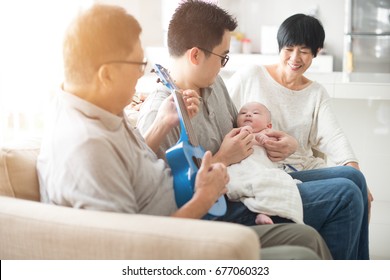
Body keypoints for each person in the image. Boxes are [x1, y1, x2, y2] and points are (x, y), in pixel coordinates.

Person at [36, 3, 332, 260]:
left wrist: (163, 124)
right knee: (304, 247)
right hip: (182, 237)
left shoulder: (99, 108)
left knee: (309, 239)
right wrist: (203, 199)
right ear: (107, 74)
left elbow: (135, 159)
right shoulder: (86, 147)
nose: (144, 73)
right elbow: (131, 254)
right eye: (139, 64)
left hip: (187, 215)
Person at [137, 1, 365, 260]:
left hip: (257, 176)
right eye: (223, 56)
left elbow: (245, 129)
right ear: (196, 55)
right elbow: (167, 198)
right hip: (232, 203)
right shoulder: (161, 114)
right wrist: (223, 158)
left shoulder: (214, 84)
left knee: (354, 178)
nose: (224, 65)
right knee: (346, 196)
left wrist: (284, 143)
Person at [227, 13, 372, 259]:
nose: (295, 58)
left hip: (298, 170)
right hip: (265, 171)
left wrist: (355, 168)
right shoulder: (250, 75)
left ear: (316, 52)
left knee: (356, 179)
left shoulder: (315, 92)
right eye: (289, 49)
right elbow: (224, 117)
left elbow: (332, 134)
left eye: (304, 51)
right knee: (349, 192)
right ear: (280, 48)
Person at [227, 101, 303, 225]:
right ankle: (254, 207)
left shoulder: (267, 133)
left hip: (262, 168)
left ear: (268, 126)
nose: (248, 115)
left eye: (255, 113)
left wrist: (265, 140)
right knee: (238, 180)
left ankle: (264, 212)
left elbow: (273, 145)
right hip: (242, 166)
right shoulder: (237, 132)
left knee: (272, 185)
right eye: (243, 113)